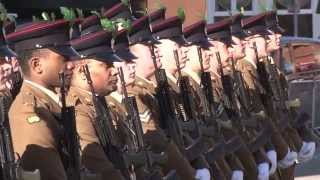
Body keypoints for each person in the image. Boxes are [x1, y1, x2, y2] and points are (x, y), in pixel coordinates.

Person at [7, 19, 79, 180]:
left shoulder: (49, 102)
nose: (72, 65)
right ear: (37, 65)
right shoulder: (29, 112)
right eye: (64, 58)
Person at [68, 29, 125, 180]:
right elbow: (96, 163)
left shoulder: (99, 101)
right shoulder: (78, 108)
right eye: (106, 65)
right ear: (82, 71)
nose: (115, 71)